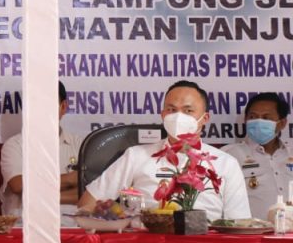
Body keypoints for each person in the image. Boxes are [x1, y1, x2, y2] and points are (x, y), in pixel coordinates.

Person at [78, 80, 250, 221]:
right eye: (172, 110)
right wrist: (117, 218)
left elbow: (239, 224)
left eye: (188, 111)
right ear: (163, 115)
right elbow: (88, 203)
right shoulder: (136, 156)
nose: (178, 117)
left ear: (204, 118)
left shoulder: (226, 163)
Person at [0, 81, 82, 218]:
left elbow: (87, 193)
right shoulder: (15, 145)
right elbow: (19, 185)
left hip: (71, 227)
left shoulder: (80, 145)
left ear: (63, 107)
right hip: (24, 230)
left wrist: (37, 194)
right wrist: (69, 180)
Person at [222, 93, 292, 219]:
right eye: (253, 117)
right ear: (245, 120)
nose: (258, 121)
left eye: (266, 118)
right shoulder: (229, 156)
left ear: (282, 123)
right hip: (253, 235)